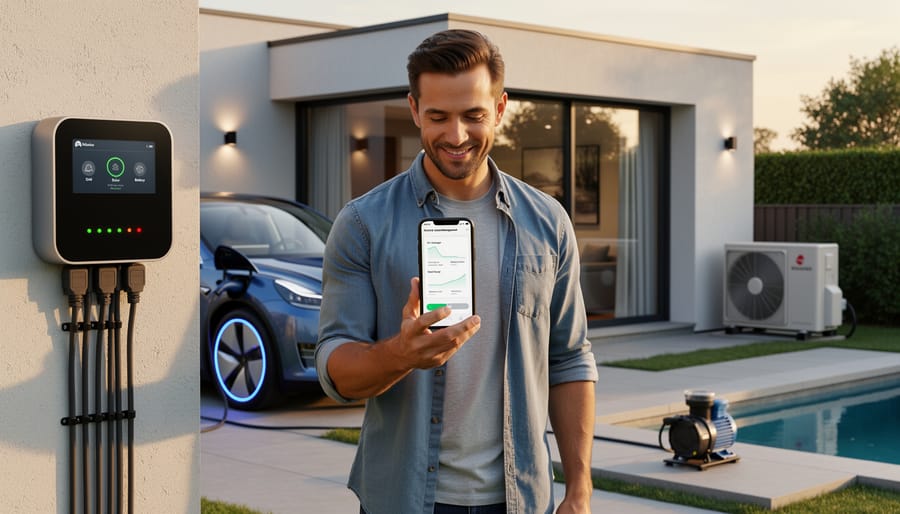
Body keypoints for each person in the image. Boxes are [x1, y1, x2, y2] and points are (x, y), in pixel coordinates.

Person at [316, 29, 598, 514]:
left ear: (501, 108)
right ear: (414, 109)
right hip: (403, 500)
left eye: (473, 115)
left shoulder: (548, 222)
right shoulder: (364, 223)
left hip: (520, 498)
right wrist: (401, 354)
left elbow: (569, 359)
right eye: (438, 117)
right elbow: (335, 370)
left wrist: (579, 489)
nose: (456, 135)